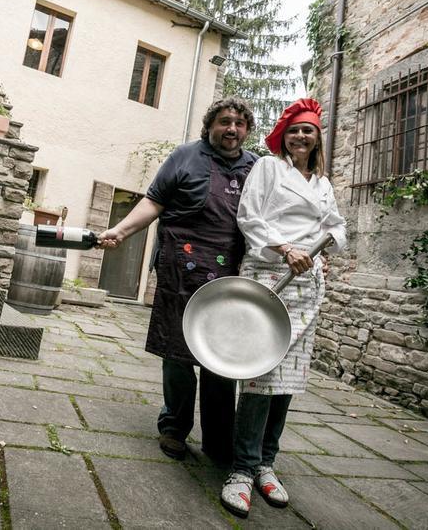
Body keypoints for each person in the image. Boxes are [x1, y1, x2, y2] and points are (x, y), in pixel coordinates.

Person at [97, 97, 258, 464]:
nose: (231, 129)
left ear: (247, 130)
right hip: (179, 268)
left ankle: (219, 440)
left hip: (228, 275)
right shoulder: (184, 156)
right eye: (224, 121)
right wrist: (121, 231)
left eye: (239, 123)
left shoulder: (256, 167)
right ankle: (174, 427)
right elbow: (153, 202)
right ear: (210, 125)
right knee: (177, 352)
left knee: (222, 358)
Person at [219, 98, 347, 518]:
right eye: (294, 130)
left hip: (306, 285)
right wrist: (287, 247)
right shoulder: (268, 168)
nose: (300, 136)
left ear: (317, 139)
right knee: (260, 374)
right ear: (284, 136)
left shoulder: (323, 184)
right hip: (271, 273)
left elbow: (336, 226)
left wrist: (322, 250)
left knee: (287, 380)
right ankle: (241, 470)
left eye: (308, 130)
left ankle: (266, 463)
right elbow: (250, 217)